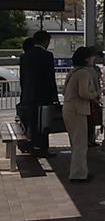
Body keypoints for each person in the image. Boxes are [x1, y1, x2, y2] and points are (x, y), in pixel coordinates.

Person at [63, 47, 100, 183]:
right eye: (92, 57)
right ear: (86, 59)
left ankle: (81, 171)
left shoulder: (73, 72)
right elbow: (83, 93)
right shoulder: (84, 73)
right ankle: (78, 174)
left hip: (68, 108)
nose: (94, 59)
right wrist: (95, 95)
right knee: (80, 143)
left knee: (76, 142)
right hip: (77, 109)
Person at [20, 31, 59, 157]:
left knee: (31, 123)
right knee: (44, 124)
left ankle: (32, 146)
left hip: (28, 96)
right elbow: (50, 78)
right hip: (43, 96)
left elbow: (23, 78)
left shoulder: (25, 56)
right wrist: (55, 97)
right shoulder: (47, 55)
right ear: (46, 41)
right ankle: (43, 149)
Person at [16, 38, 36, 154]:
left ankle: (26, 145)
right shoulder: (38, 57)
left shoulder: (23, 58)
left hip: (26, 95)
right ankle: (31, 144)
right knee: (33, 122)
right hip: (34, 97)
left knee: (26, 121)